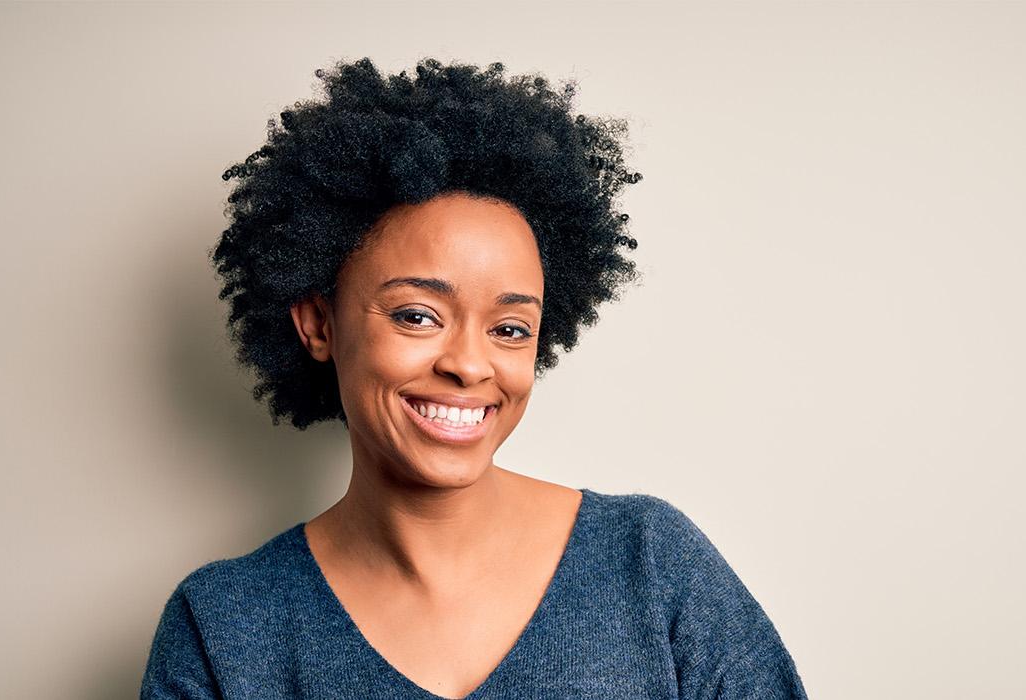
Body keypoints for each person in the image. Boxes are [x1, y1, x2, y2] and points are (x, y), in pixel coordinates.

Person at [142, 58, 807, 700]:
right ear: (320, 324)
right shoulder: (223, 630)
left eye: (510, 328)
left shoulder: (653, 567)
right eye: (417, 315)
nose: (468, 363)